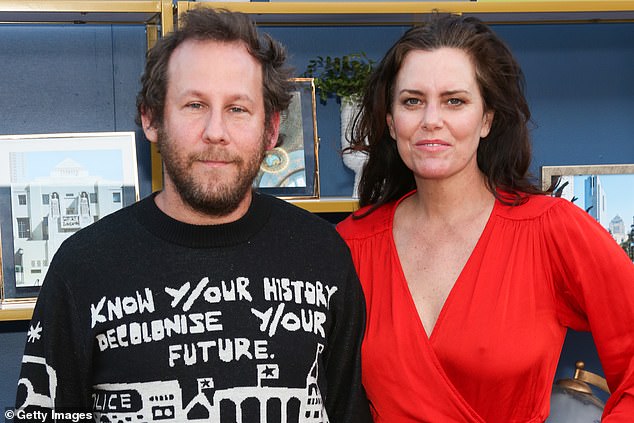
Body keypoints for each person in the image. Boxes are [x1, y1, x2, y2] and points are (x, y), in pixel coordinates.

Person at [15, 8, 371, 423]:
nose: (215, 131)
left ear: (272, 129)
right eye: (195, 104)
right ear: (151, 118)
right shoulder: (82, 267)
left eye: (238, 109)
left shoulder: (322, 254)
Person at [337, 14, 634, 423]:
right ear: (390, 122)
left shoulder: (552, 230)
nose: (431, 121)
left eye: (454, 101)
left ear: (487, 119)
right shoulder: (349, 246)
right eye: (412, 101)